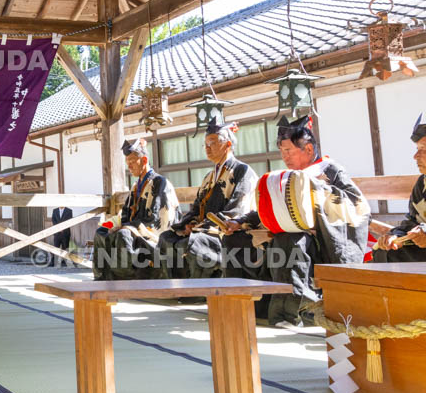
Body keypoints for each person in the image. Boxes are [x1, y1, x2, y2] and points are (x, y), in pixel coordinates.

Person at [223, 116, 370, 327]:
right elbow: (271, 206)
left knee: (290, 241)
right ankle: (241, 305)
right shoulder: (290, 176)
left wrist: (316, 192)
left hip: (321, 240)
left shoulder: (330, 170)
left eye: (289, 151)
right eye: (282, 151)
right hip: (285, 233)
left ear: (308, 150)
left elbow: (357, 206)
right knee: (235, 241)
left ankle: (292, 313)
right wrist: (242, 222)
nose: (284, 157)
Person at [156, 121, 257, 280]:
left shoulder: (242, 171)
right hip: (204, 227)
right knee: (166, 238)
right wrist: (189, 223)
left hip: (226, 230)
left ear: (228, 144)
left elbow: (237, 209)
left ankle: (201, 288)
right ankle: (177, 287)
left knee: (194, 241)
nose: (207, 148)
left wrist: (199, 227)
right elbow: (197, 208)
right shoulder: (209, 177)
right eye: (205, 144)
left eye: (212, 143)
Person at [94, 139, 180, 280]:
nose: (129, 165)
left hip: (153, 231)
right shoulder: (136, 186)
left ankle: (127, 279)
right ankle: (102, 277)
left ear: (144, 160)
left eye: (132, 161)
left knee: (123, 234)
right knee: (101, 230)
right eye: (127, 162)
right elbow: (126, 214)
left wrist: (125, 226)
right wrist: (111, 225)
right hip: (134, 227)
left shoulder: (159, 182)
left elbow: (154, 219)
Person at [373, 113, 426, 262]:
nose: (416, 156)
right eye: (417, 148)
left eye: (423, 149)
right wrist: (395, 236)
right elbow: (411, 223)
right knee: (386, 254)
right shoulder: (422, 185)